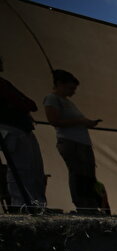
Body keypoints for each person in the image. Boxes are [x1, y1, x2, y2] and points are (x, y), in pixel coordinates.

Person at [43, 68, 102, 213]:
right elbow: (54, 121)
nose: (73, 92)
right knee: (78, 173)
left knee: (88, 174)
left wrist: (87, 123)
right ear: (59, 84)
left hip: (82, 143)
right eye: (70, 88)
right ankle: (82, 204)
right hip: (70, 142)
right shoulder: (52, 99)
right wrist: (80, 121)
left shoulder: (68, 102)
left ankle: (91, 204)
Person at [0, 55, 47, 210]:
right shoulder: (2, 85)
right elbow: (23, 102)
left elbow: (29, 103)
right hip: (11, 128)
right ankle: (20, 203)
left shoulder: (4, 83)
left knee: (32, 169)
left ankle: (32, 203)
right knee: (20, 169)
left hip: (20, 128)